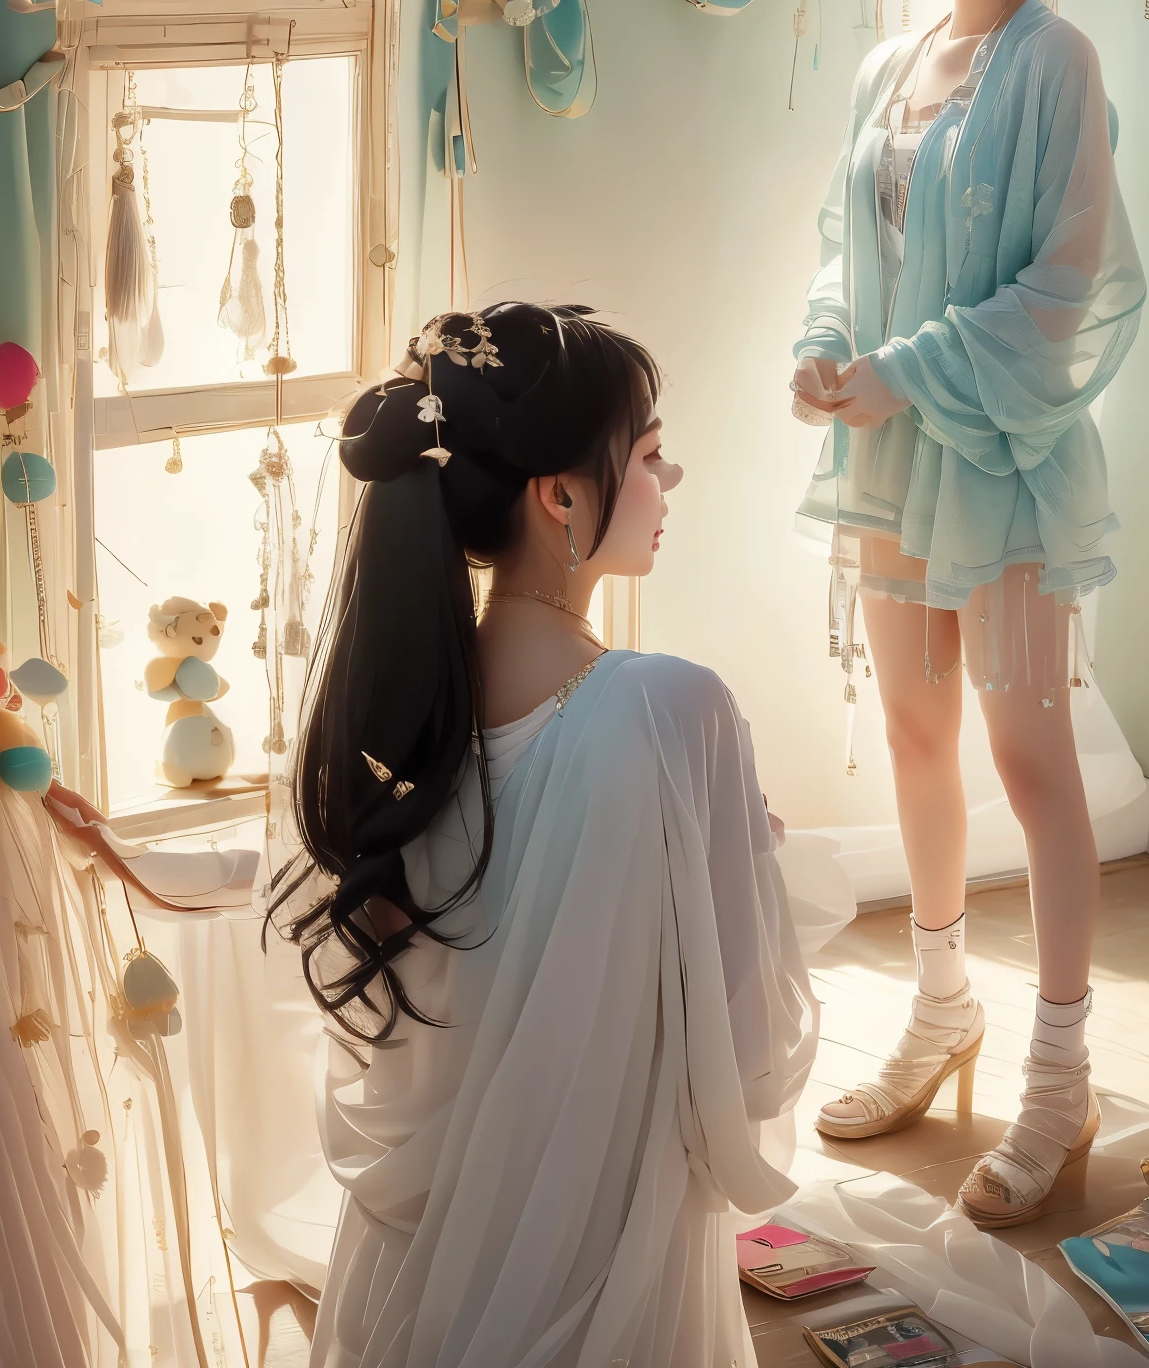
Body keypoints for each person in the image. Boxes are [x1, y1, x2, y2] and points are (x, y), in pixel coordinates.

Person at [274, 302, 817, 1367]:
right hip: (609, 1264)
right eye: (652, 454)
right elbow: (751, 1063)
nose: (672, 481)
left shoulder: (394, 712)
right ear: (560, 492)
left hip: (413, 1278)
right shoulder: (671, 708)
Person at [791, 0, 1145, 1228]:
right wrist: (822, 345)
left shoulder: (1056, 60)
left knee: (1031, 764)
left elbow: (1070, 281)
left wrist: (909, 369)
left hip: (996, 458)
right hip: (885, 453)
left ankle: (1058, 1075)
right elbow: (843, 243)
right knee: (915, 742)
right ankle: (940, 1011)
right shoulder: (891, 63)